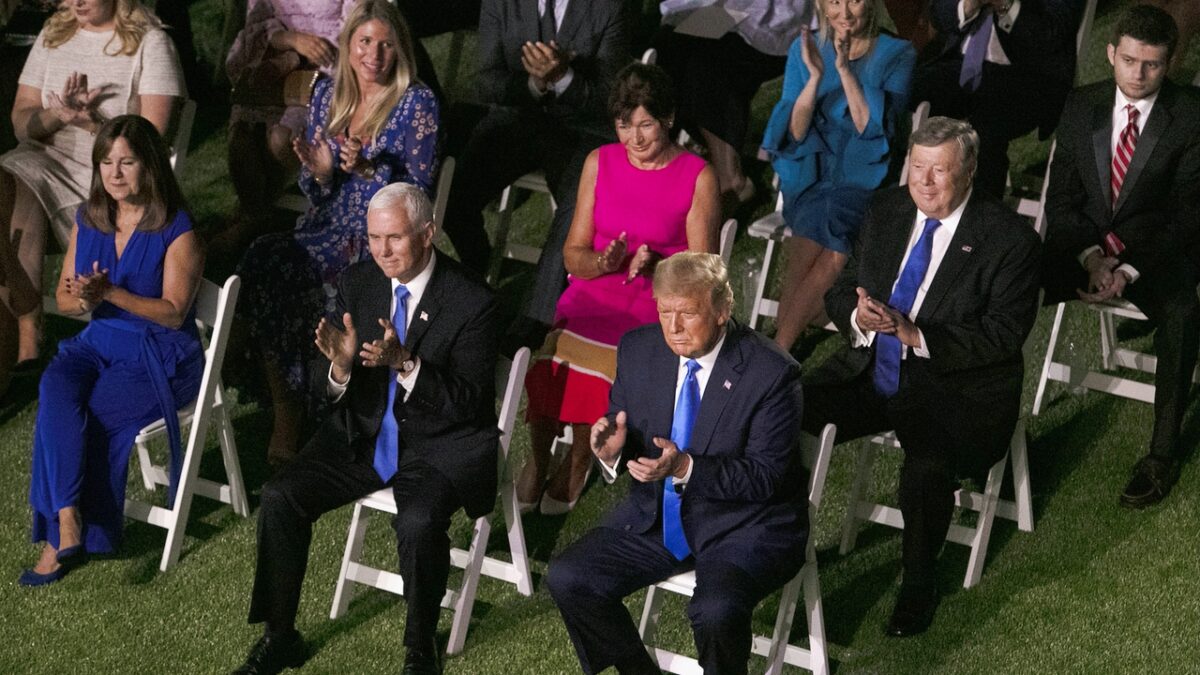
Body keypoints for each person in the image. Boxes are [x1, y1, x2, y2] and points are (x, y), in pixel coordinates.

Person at [231, 182, 499, 675]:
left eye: (394, 238)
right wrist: (340, 366)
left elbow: (469, 403)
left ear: (427, 233)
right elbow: (324, 379)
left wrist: (407, 363)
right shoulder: (359, 282)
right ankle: (279, 635)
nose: (382, 250)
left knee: (417, 522)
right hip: (363, 435)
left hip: (436, 445)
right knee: (280, 495)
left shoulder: (472, 299)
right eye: (374, 238)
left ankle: (420, 647)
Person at [801, 117, 1040, 636]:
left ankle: (918, 582)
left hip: (956, 387)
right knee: (783, 408)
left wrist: (915, 335)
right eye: (917, 168)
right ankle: (775, 546)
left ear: (969, 171)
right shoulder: (886, 210)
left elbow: (1002, 335)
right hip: (871, 370)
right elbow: (841, 291)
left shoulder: (1009, 238)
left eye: (940, 171)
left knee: (926, 468)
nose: (925, 183)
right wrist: (858, 317)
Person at [546, 252, 808, 675]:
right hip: (659, 520)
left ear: (722, 310)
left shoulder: (771, 374)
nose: (673, 327)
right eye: (664, 312)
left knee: (715, 611)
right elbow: (624, 427)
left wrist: (686, 467)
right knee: (569, 576)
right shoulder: (639, 349)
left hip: (743, 526)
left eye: (687, 313)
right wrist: (612, 452)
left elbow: (765, 477)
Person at [234, 0, 439, 465]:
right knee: (264, 257)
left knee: (312, 279)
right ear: (348, 45)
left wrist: (368, 171)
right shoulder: (329, 93)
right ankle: (284, 401)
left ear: (401, 49)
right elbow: (315, 190)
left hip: (379, 240)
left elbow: (419, 196)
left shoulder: (416, 103)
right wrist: (323, 172)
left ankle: (315, 406)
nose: (374, 55)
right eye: (365, 41)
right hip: (325, 227)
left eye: (386, 44)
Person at [516, 63, 720, 514]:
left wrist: (659, 266)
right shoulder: (600, 162)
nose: (635, 139)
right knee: (551, 360)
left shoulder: (697, 176)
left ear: (668, 118)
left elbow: (704, 272)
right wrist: (603, 262)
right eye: (625, 126)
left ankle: (579, 458)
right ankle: (539, 454)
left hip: (656, 301)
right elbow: (573, 254)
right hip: (594, 291)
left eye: (645, 125)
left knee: (603, 367)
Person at [20, 115, 204, 586]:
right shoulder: (90, 218)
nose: (115, 173)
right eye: (106, 162)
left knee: (92, 413)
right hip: (98, 343)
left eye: (127, 162)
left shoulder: (178, 228)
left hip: (159, 353)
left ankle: (65, 537)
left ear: (150, 166)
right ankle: (67, 517)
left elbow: (174, 313)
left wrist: (111, 294)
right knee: (55, 388)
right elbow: (63, 297)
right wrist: (83, 299)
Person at [1042, 5, 1200, 508]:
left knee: (1183, 311)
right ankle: (982, 435)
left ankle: (1161, 455)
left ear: (1169, 63)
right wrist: (1091, 258)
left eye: (1152, 64)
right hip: (1084, 247)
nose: (1138, 74)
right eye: (1129, 60)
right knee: (1010, 279)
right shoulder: (1080, 105)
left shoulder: (1191, 115)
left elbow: (1188, 216)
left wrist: (1127, 270)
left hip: (1151, 253)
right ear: (1111, 53)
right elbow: (1060, 201)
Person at [0, 0, 183, 393]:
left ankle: (25, 330)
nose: (75, 2)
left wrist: (93, 124)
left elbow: (149, 146)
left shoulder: (151, 43)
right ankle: (25, 323)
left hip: (102, 180)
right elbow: (21, 122)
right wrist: (58, 116)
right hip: (38, 161)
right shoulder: (55, 33)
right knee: (6, 183)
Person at [441, 0, 630, 351]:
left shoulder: (608, 7)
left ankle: (532, 325)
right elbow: (485, 81)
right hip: (519, 117)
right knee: (453, 194)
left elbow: (610, 98)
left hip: (583, 128)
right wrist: (534, 83)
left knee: (577, 210)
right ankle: (477, 277)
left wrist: (563, 78)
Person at [762, 0, 915, 352]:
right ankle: (783, 346)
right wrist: (815, 79)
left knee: (831, 220)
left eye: (854, 1)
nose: (844, 14)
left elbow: (872, 130)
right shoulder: (804, 49)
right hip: (812, 172)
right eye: (834, 1)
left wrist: (844, 71)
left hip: (867, 177)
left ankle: (778, 347)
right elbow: (795, 132)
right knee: (816, 216)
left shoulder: (898, 54)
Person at [216, 0, 357, 251]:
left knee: (281, 139)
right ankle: (256, 215)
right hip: (279, 65)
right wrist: (291, 40)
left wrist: (317, 51)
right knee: (243, 136)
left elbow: (359, 25)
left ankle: (252, 218)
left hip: (330, 72)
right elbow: (257, 22)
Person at [912, 0, 1087, 198]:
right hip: (960, 65)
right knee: (907, 89)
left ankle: (984, 212)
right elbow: (938, 12)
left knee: (986, 121)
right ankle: (901, 196)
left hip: (1028, 76)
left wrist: (1005, 6)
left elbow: (1053, 33)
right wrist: (967, 6)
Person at [654, 0, 813, 203]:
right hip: (730, 13)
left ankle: (731, 178)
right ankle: (660, 161)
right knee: (669, 45)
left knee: (709, 63)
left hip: (775, 22)